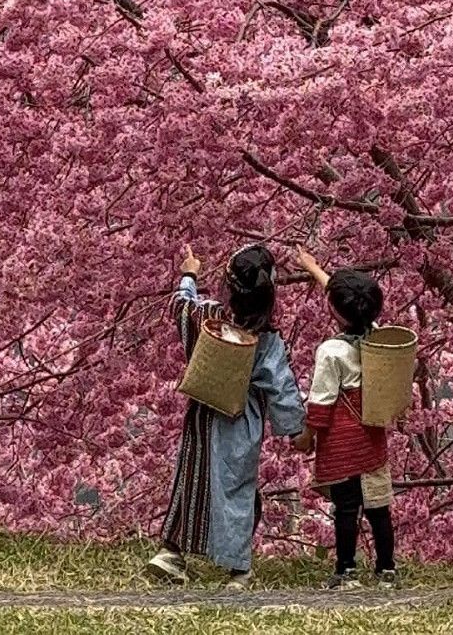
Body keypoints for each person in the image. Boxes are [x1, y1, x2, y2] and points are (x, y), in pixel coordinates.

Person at [148, 243, 307, 588]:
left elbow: (180, 305)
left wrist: (189, 272)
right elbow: (281, 385)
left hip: (203, 416)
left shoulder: (207, 318)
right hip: (241, 422)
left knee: (192, 479)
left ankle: (173, 550)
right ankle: (239, 570)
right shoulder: (265, 339)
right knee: (236, 489)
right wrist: (296, 429)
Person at [295, 246, 397, 589]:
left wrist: (308, 437)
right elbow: (347, 299)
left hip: (341, 440)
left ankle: (347, 569)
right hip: (372, 437)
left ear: (335, 312)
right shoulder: (378, 335)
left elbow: (321, 402)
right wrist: (314, 269)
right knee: (378, 507)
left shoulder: (331, 352)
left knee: (347, 508)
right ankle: (386, 569)